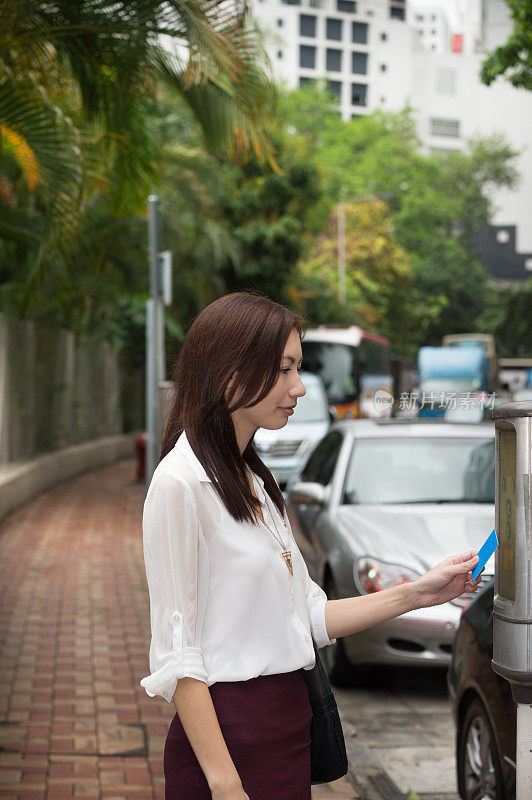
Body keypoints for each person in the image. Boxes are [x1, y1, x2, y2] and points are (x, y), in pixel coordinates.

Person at [139, 292, 482, 800]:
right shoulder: (180, 483)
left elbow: (308, 617)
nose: (299, 387)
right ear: (228, 368)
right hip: (228, 742)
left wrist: (419, 593)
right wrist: (225, 782)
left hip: (288, 730)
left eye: (297, 368)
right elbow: (177, 656)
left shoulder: (257, 482)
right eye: (283, 370)